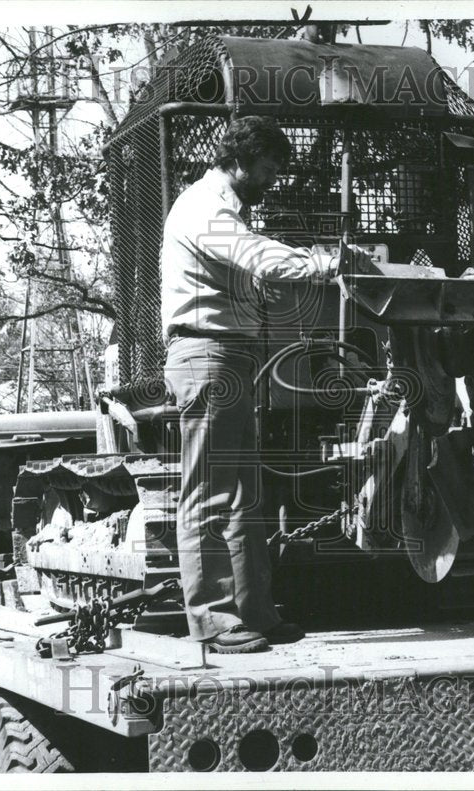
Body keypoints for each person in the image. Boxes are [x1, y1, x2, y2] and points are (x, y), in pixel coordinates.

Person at [161, 116, 337, 653]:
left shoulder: (227, 207)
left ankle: (254, 612)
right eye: (264, 170)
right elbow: (257, 256)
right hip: (205, 354)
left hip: (231, 355)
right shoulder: (202, 206)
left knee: (243, 495)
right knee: (210, 492)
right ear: (237, 161)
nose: (270, 181)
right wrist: (322, 264)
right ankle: (212, 621)